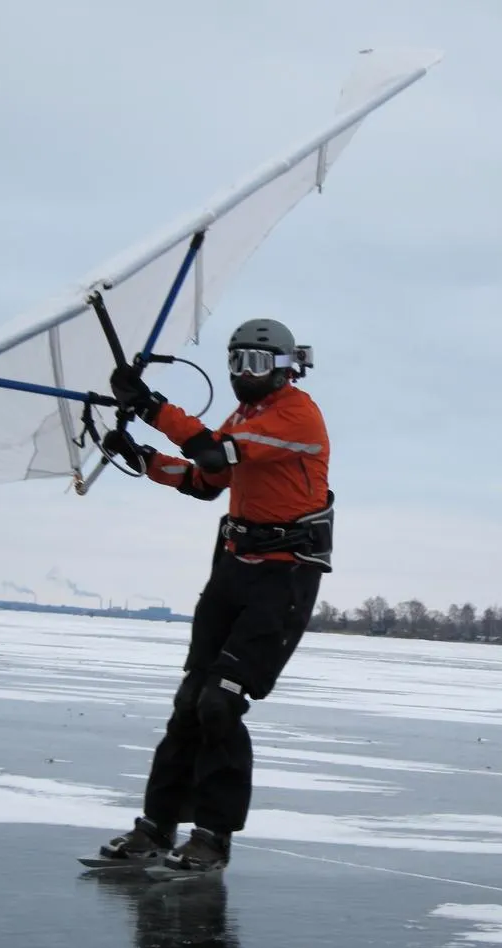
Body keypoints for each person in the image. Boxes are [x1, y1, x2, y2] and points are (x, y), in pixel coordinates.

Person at [100, 318, 333, 872]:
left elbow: (213, 455)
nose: (241, 376)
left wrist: (151, 406)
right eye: (234, 362)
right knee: (190, 703)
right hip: (232, 570)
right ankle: (156, 828)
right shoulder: (245, 418)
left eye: (254, 364)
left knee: (220, 702)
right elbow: (206, 483)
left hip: (284, 578)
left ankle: (212, 837)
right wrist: (144, 459)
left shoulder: (297, 416)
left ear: (285, 367)